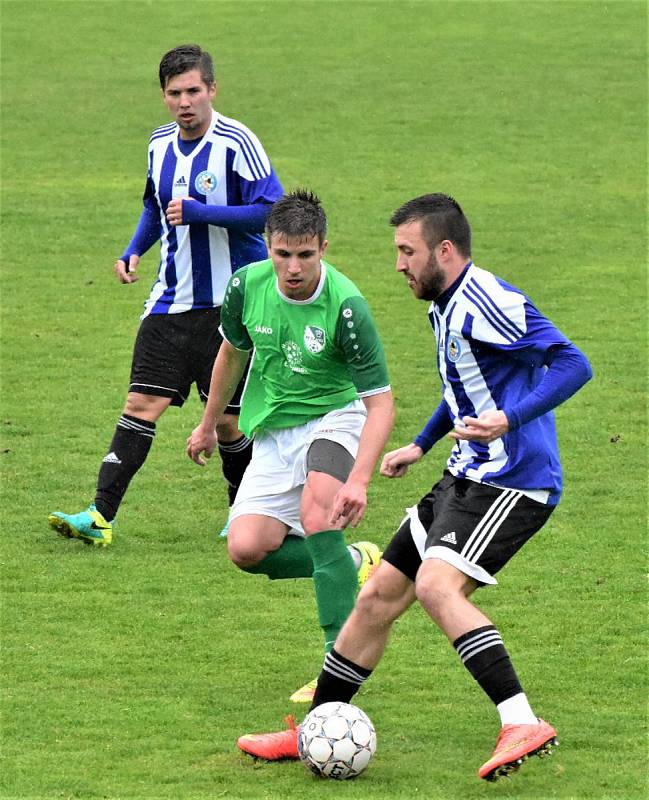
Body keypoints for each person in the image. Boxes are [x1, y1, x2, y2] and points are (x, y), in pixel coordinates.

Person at [236, 193, 593, 781]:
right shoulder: (445, 305)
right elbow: (464, 386)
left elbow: (572, 362)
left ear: (444, 251)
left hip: (514, 480)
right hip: (467, 473)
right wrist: (422, 445)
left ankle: (522, 720)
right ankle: (317, 725)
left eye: (408, 251)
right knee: (378, 595)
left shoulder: (487, 299)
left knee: (434, 586)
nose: (399, 264)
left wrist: (511, 418)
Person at [49, 44, 283, 545]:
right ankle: (99, 515)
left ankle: (242, 515)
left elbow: (271, 211)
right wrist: (133, 249)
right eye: (175, 93)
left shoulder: (238, 143)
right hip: (169, 301)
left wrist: (202, 212)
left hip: (232, 303)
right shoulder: (158, 144)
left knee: (227, 422)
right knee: (139, 404)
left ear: (212, 89)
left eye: (194, 91)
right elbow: (156, 208)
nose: (185, 102)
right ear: (164, 96)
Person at [186, 189, 395, 702]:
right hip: (275, 431)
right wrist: (208, 423)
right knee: (246, 548)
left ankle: (336, 667)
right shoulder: (246, 287)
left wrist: (361, 481)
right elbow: (231, 354)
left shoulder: (347, 307)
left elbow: (381, 403)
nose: (293, 267)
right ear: (267, 246)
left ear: (324, 247)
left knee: (319, 515)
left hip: (335, 418)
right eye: (283, 254)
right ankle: (352, 563)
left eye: (305, 254)